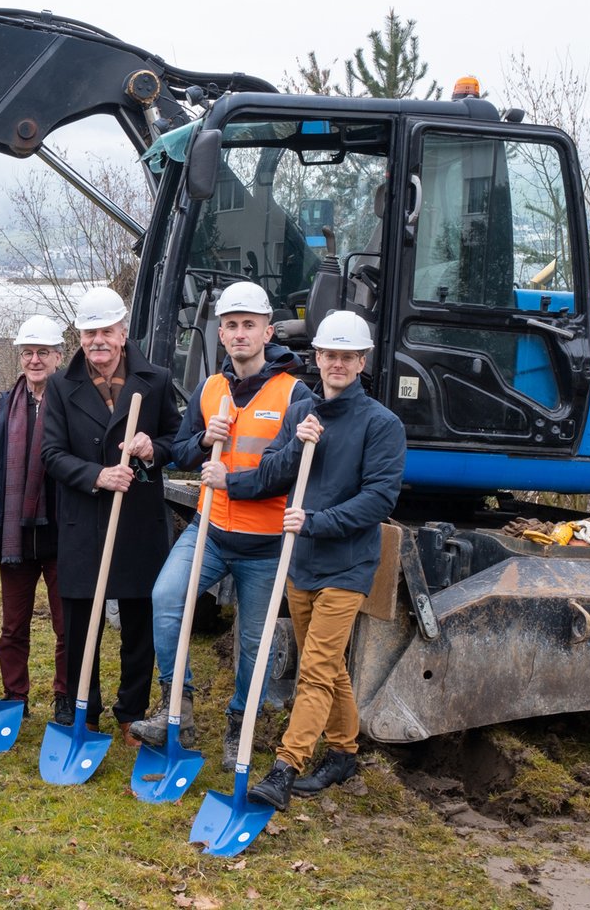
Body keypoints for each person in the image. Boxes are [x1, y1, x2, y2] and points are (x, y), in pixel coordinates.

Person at [202, 310, 405, 810]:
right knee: (330, 665)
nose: (337, 364)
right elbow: (272, 473)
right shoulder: (301, 413)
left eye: (347, 356)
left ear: (361, 362)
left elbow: (379, 500)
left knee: (314, 668)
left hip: (347, 565)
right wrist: (295, 444)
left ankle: (284, 768)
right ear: (318, 358)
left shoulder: (382, 425)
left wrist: (314, 522)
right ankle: (343, 752)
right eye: (329, 355)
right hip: (302, 563)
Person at [130, 282, 314, 771]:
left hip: (266, 542)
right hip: (209, 531)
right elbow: (182, 451)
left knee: (253, 647)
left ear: (266, 331)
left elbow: (291, 469)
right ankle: (178, 710)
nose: (238, 333)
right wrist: (202, 441)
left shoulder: (295, 393)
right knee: (166, 599)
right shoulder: (211, 388)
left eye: (247, 325)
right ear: (221, 332)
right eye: (230, 325)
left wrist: (231, 480)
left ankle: (240, 725)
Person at [41, 286, 181, 744]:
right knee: (81, 622)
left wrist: (150, 449)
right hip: (85, 519)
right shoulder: (62, 386)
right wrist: (97, 476)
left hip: (137, 520)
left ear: (123, 333)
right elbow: (51, 454)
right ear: (79, 336)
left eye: (105, 331)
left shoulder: (155, 380)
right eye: (88, 332)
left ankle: (132, 711)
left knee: (139, 620)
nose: (97, 340)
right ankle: (87, 708)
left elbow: (176, 442)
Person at [0, 315, 68, 721]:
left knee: (67, 626)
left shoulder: (70, 402)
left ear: (58, 356)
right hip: (15, 536)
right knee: (12, 626)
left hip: (61, 533)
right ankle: (16, 696)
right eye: (28, 352)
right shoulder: (2, 406)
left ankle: (65, 696)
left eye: (42, 352)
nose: (34, 360)